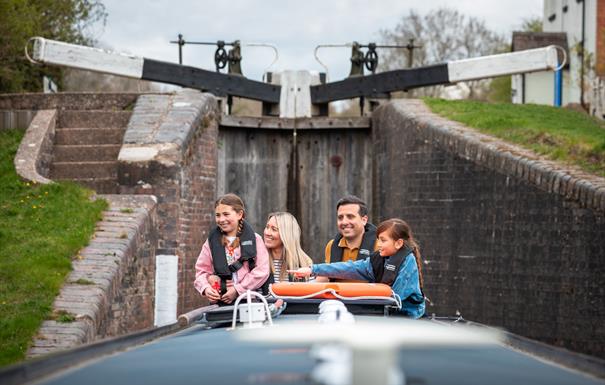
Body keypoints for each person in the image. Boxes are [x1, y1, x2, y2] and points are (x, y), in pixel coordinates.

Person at [289, 218, 425, 318]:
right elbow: (349, 267)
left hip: (406, 315)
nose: (378, 244)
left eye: (383, 240)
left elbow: (396, 296)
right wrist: (313, 269)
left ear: (398, 243)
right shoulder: (377, 260)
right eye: (378, 239)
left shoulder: (408, 261)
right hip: (386, 312)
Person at [194, 193, 270, 304]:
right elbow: (201, 272)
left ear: (239, 214)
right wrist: (206, 288)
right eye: (218, 215)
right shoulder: (210, 242)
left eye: (226, 214)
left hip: (247, 301)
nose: (221, 219)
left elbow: (262, 271)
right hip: (220, 302)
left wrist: (238, 289)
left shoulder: (255, 239)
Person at [320, 195, 377, 282]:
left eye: (350, 216)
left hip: (367, 295)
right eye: (340, 217)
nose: (344, 222)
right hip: (337, 294)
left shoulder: (380, 245)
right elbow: (326, 277)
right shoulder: (331, 245)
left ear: (364, 220)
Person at [263, 212, 313, 282]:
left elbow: (311, 291)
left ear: (287, 235)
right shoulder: (259, 261)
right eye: (267, 227)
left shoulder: (304, 263)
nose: (267, 233)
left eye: (274, 229)